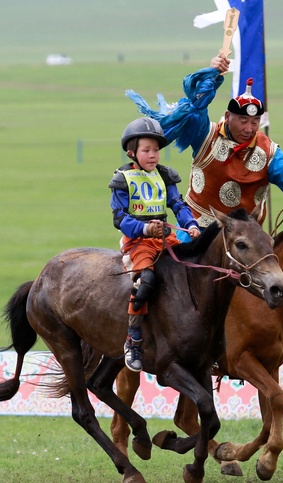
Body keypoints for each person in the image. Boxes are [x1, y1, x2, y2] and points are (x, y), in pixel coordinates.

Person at [125, 54, 283, 238]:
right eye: (243, 121)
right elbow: (197, 107)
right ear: (228, 117)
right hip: (197, 228)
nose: (249, 128)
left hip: (245, 237)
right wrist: (212, 74)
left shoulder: (268, 151)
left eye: (255, 122)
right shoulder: (207, 135)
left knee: (273, 276)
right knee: (171, 269)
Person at [109, 117, 201, 372]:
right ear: (132, 153)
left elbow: (178, 205)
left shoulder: (165, 176)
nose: (152, 155)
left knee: (194, 270)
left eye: (156, 150)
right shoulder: (123, 179)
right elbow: (120, 219)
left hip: (166, 238)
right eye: (146, 150)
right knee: (146, 281)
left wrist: (191, 225)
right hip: (138, 242)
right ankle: (134, 339)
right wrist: (145, 228)